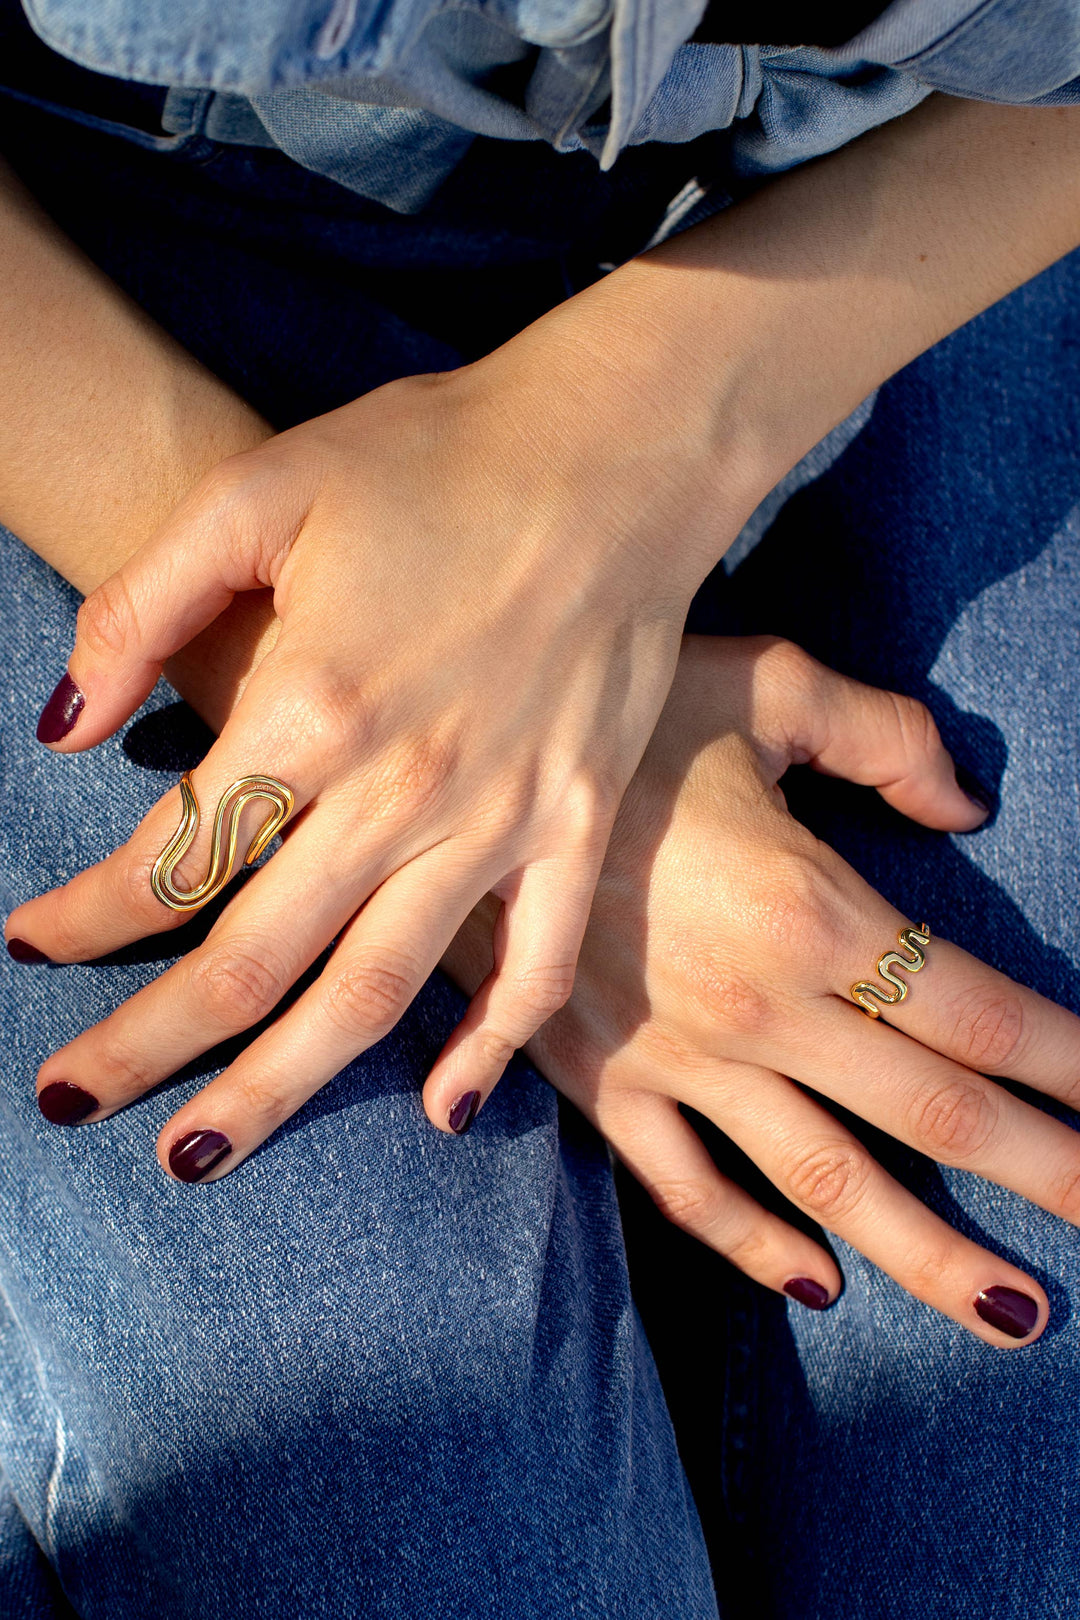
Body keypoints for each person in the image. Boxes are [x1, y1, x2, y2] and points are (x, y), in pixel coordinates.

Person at [0, 2, 1079, 1612]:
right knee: (446, 1552)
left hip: (928, 200)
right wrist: (358, 683)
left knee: (1017, 1466)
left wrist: (623, 457)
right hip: (87, 274)